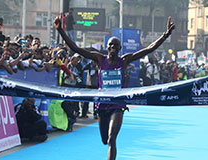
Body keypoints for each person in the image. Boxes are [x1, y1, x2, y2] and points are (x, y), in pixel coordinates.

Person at [55, 16, 175, 160]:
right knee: (105, 140)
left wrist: (166, 35)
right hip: (102, 105)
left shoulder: (124, 61)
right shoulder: (99, 59)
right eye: (110, 45)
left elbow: (149, 49)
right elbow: (75, 48)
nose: (112, 47)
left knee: (112, 140)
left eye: (115, 45)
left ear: (119, 48)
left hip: (117, 105)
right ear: (107, 47)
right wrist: (60, 30)